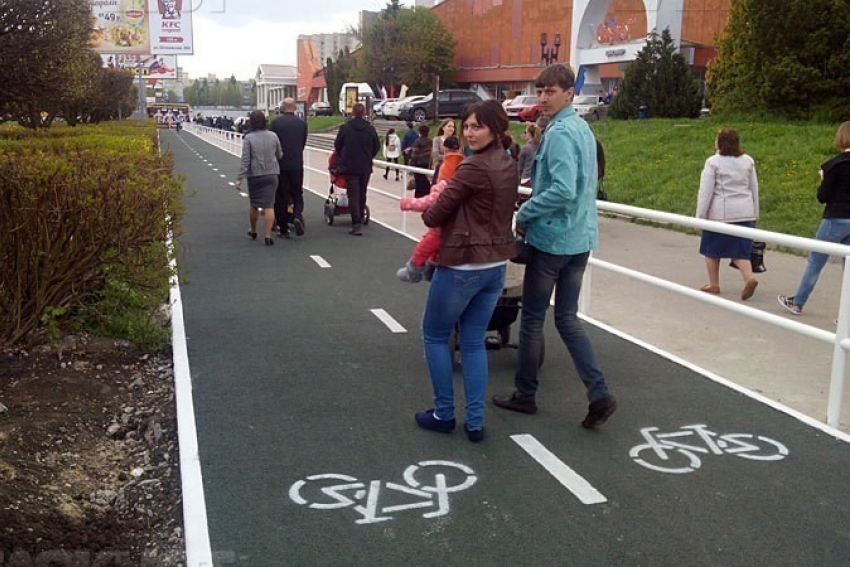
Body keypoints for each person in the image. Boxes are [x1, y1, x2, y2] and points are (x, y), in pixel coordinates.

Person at [491, 64, 618, 429]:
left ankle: (525, 394)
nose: (544, 98)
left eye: (551, 91)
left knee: (532, 318)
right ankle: (599, 393)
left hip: (554, 241)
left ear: (569, 93)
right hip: (580, 240)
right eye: (541, 90)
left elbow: (562, 190)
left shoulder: (560, 133)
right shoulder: (582, 129)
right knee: (566, 318)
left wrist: (525, 212)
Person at [414, 101, 518, 443]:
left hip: (462, 265)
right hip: (495, 266)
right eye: (467, 126)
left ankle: (444, 413)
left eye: (478, 126)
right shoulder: (507, 162)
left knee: (434, 336)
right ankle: (475, 421)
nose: (470, 132)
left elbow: (433, 215)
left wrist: (439, 199)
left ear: (495, 129)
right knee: (472, 342)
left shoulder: (473, 168)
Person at [779, 121, 850, 315]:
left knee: (816, 260)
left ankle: (798, 302)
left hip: (835, 217)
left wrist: (823, 179)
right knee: (849, 265)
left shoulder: (834, 165)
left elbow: (823, 197)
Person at [696, 127, 760, 300]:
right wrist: (755, 213)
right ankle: (749, 278)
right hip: (745, 211)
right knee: (740, 251)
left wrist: (700, 217)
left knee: (711, 249)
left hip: (721, 213)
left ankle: (714, 284)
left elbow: (705, 192)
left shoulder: (713, 162)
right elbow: (754, 188)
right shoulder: (748, 161)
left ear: (720, 142)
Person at [397, 136, 464, 283]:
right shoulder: (464, 171)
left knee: (426, 246)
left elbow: (427, 202)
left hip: (443, 226)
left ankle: (414, 270)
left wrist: (407, 203)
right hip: (460, 226)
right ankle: (430, 267)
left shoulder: (444, 184)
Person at [333, 102, 380, 236]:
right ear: (364, 113)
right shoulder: (370, 128)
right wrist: (369, 156)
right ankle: (360, 215)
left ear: (352, 113)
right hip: (365, 166)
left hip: (349, 166)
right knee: (362, 192)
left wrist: (343, 156)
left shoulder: (345, 128)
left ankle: (356, 223)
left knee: (353, 194)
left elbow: (338, 145)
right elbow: (376, 146)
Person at [237, 110, 283, 246]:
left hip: (255, 175)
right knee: (269, 205)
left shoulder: (249, 138)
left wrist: (239, 177)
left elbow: (245, 160)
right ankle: (268, 236)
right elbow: (279, 154)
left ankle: (253, 229)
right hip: (272, 173)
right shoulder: (273, 136)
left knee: (254, 204)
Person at [269, 98, 308, 238]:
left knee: (281, 196)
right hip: (297, 164)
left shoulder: (275, 123)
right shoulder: (302, 124)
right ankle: (296, 215)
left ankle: (284, 228)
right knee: (297, 193)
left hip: (280, 165)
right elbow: (303, 143)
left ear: (282, 108)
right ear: (295, 108)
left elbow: (271, 144)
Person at [411, 124, 433, 198]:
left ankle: (418, 197)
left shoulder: (418, 141)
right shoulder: (430, 141)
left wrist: (412, 165)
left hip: (419, 164)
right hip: (427, 163)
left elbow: (415, 154)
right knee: (426, 181)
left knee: (419, 182)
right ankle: (427, 196)